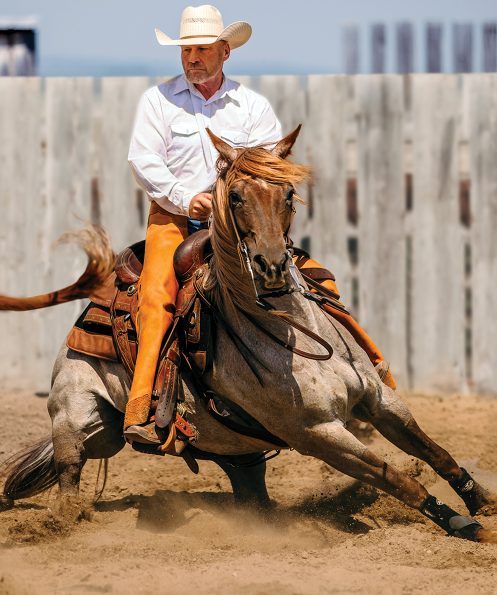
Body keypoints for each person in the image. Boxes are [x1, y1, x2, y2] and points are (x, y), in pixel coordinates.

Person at [124, 5, 393, 445]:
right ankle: (141, 406)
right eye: (186, 49)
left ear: (224, 51)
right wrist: (183, 195)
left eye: (202, 49)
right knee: (156, 296)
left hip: (241, 225)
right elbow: (143, 159)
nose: (192, 58)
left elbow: (270, 168)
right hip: (174, 219)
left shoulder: (252, 107)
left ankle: (372, 364)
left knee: (316, 280)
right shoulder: (158, 101)